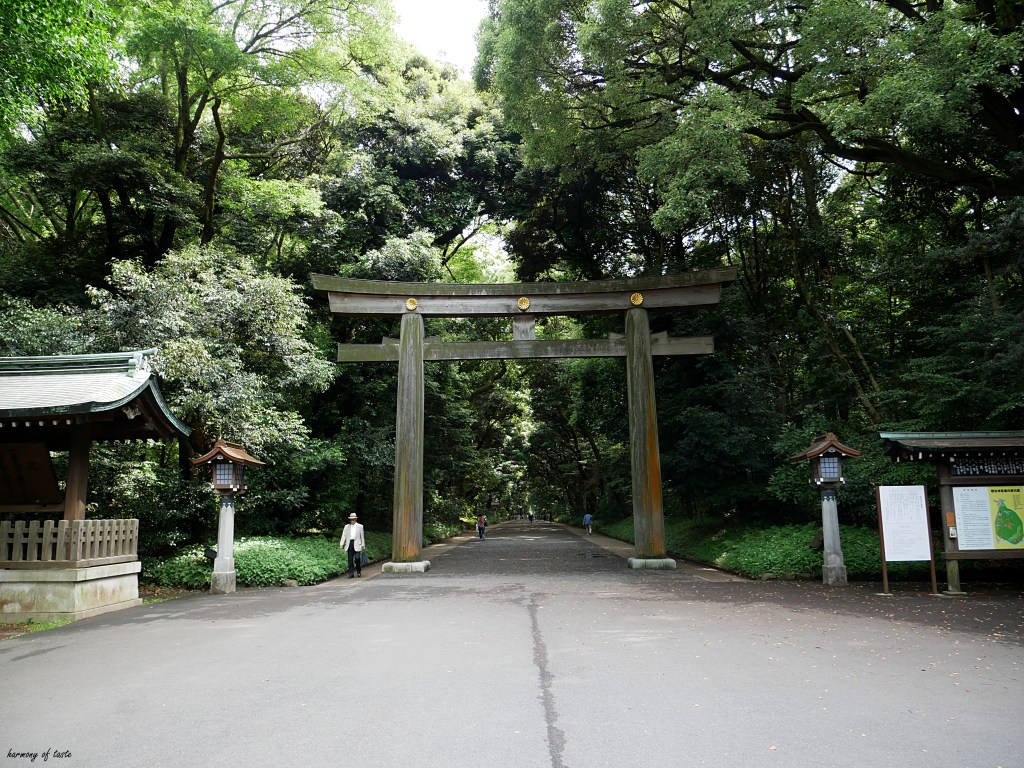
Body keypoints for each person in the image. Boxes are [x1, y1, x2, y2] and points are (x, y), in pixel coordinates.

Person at [340, 512, 366, 578]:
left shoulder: (360, 526)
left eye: (353, 519)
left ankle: (358, 571)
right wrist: (341, 543)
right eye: (351, 519)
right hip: (349, 543)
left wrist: (363, 545)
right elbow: (344, 535)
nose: (352, 521)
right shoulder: (346, 526)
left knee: (357, 558)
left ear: (355, 519)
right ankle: (351, 573)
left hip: (357, 543)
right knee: (350, 559)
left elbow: (362, 536)